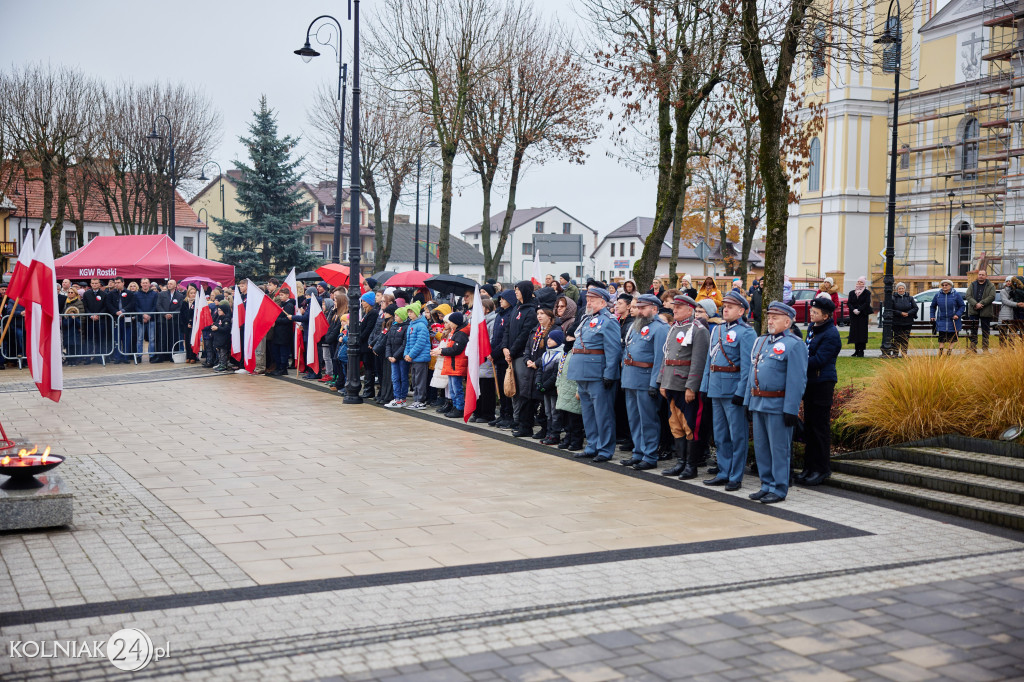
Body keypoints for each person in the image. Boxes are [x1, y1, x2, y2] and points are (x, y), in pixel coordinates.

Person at [745, 302, 808, 504]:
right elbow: (751, 373)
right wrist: (748, 401)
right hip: (758, 402)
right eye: (769, 317)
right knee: (762, 448)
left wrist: (791, 409)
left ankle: (779, 488)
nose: (770, 320)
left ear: (787, 321)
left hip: (778, 405)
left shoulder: (795, 344)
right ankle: (766, 484)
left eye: (775, 317)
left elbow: (797, 380)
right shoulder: (762, 342)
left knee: (779, 450)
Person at [697, 291, 756, 491]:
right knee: (720, 434)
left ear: (741, 311)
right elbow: (709, 362)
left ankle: (736, 475)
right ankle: (723, 471)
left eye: (730, 307)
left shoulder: (747, 332)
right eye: (725, 306)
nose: (725, 309)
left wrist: (742, 392)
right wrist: (705, 386)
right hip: (716, 387)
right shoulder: (718, 330)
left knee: (737, 435)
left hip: (733, 389)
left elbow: (748, 366)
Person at [658, 294, 710, 479]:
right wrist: (662, 381)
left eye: (679, 307)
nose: (675, 310)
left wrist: (692, 387)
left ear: (690, 309)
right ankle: (680, 462)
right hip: (671, 383)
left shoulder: (698, 330)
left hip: (685, 384)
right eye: (675, 307)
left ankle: (691, 465)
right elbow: (666, 356)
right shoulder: (674, 328)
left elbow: (698, 361)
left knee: (690, 426)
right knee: (676, 425)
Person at [568, 288, 623, 463]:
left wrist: (609, 374)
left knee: (603, 414)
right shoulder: (587, 319)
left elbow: (613, 351)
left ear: (603, 302)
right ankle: (592, 445)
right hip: (582, 373)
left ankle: (605, 449)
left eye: (593, 300)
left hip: (598, 374)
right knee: (588, 414)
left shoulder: (609, 321)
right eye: (588, 299)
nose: (588, 303)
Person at [618, 294, 669, 470]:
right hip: (631, 378)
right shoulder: (634, 326)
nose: (639, 311)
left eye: (643, 308)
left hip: (646, 379)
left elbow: (660, 358)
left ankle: (650, 455)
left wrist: (655, 383)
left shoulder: (660, 328)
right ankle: (638, 452)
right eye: (638, 307)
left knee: (648, 420)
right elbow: (627, 351)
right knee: (634, 419)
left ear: (654, 309)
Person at [798, 297, 841, 486]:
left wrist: (796, 360)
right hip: (811, 382)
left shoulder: (831, 334)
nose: (811, 313)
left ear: (826, 315)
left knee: (819, 428)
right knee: (809, 427)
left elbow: (818, 360)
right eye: (812, 311)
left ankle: (822, 469)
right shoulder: (813, 329)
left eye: (815, 312)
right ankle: (809, 467)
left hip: (822, 383)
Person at [505, 281, 539, 437]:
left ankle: (523, 421)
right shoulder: (516, 308)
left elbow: (524, 334)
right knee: (514, 389)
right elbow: (507, 329)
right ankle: (516, 418)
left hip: (520, 355)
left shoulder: (531, 311)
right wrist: (505, 348)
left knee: (522, 389)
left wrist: (511, 352)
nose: (516, 293)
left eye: (518, 290)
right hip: (511, 354)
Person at [522, 308, 555, 439]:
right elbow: (528, 348)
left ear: (549, 316)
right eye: (538, 314)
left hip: (544, 370)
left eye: (542, 314)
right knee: (527, 398)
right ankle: (525, 427)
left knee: (543, 402)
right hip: (531, 368)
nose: (539, 316)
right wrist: (527, 360)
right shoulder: (535, 331)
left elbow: (552, 351)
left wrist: (537, 362)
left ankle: (545, 429)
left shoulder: (553, 331)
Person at [433, 311, 470, 418]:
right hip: (452, 365)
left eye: (451, 322)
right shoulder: (456, 332)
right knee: (453, 389)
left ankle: (459, 408)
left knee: (456, 389)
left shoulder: (461, 334)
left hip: (456, 365)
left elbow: (456, 350)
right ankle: (455, 406)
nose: (450, 324)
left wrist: (441, 351)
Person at [490, 291, 516, 427]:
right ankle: (503, 414)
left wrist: (495, 353)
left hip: (504, 356)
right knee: (500, 386)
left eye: (503, 298)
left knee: (507, 387)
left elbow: (505, 338)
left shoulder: (511, 314)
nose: (500, 301)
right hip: (496, 356)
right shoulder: (500, 314)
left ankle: (509, 415)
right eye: (499, 298)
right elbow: (495, 337)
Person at [537, 328, 566, 445]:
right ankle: (548, 433)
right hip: (545, 389)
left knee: (555, 412)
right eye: (548, 338)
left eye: (552, 339)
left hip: (553, 389)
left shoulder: (560, 355)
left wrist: (546, 385)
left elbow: (555, 374)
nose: (548, 341)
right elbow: (540, 370)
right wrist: (538, 382)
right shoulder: (545, 354)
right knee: (548, 412)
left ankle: (555, 434)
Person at [555, 342, 585, 451]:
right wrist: (558, 384)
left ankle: (576, 441)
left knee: (575, 418)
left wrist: (579, 389)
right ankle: (568, 438)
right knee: (565, 417)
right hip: (563, 388)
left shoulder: (577, 351)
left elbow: (581, 370)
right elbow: (560, 370)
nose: (568, 339)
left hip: (573, 389)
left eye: (571, 336)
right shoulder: (565, 352)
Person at [404, 301, 431, 409]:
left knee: (420, 380)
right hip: (414, 358)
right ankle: (416, 399)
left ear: (416, 312)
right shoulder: (411, 325)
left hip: (420, 358)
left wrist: (410, 354)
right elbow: (408, 342)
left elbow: (420, 343)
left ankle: (421, 400)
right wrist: (406, 354)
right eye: (408, 312)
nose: (409, 314)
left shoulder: (421, 326)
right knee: (415, 380)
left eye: (411, 312)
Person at [105, 276, 135, 364]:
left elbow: (132, 304)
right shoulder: (111, 293)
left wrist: (123, 311)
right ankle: (117, 357)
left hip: (126, 318)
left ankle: (126, 356)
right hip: (115, 319)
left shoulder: (129, 293)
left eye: (118, 282)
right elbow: (108, 304)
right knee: (116, 339)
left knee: (126, 338)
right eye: (115, 283)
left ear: (123, 283)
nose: (116, 284)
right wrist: (115, 312)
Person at [931, 279, 965, 356]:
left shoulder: (955, 294)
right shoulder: (938, 295)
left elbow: (962, 306)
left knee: (952, 337)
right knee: (942, 337)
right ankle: (940, 352)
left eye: (946, 285)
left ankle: (949, 352)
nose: (944, 286)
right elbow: (933, 306)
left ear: (950, 286)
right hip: (942, 319)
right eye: (943, 285)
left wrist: (957, 314)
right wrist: (932, 316)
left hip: (953, 319)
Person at [965, 269, 996, 352]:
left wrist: (981, 303)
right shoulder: (972, 284)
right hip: (974, 311)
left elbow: (992, 296)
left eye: (982, 274)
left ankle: (985, 348)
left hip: (986, 311)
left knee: (985, 331)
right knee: (973, 330)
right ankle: (973, 348)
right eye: (979, 274)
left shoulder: (991, 285)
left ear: (986, 276)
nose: (980, 276)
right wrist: (975, 304)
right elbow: (968, 296)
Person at [385, 306, 410, 407]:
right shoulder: (393, 327)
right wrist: (389, 355)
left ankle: (402, 398)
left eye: (397, 315)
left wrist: (395, 356)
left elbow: (405, 344)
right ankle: (397, 397)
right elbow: (388, 343)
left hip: (401, 358)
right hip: (393, 358)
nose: (395, 317)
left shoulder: (406, 327)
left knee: (403, 377)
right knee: (395, 378)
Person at [154, 279, 185, 362]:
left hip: (174, 320)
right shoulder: (161, 294)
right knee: (162, 338)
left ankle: (172, 356)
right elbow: (158, 305)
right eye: (168, 284)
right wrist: (165, 314)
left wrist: (172, 314)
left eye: (171, 284)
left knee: (173, 338)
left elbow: (180, 307)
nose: (169, 285)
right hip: (163, 320)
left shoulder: (180, 296)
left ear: (175, 286)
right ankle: (161, 356)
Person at [80, 278, 108, 364]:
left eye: (96, 283)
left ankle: (99, 357)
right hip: (90, 320)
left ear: (99, 284)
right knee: (89, 340)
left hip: (101, 320)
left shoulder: (104, 294)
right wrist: (91, 315)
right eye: (93, 283)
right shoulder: (86, 294)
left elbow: (106, 306)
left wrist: (98, 315)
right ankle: (88, 358)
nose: (95, 285)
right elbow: (85, 306)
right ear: (90, 284)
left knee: (100, 340)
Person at [269, 289, 296, 375]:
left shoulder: (289, 306)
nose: (280, 297)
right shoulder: (281, 305)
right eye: (280, 295)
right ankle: (278, 367)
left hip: (284, 333)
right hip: (278, 333)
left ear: (287, 295)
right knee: (276, 351)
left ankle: (283, 369)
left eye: (282, 295)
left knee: (283, 353)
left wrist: (276, 321)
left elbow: (288, 319)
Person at [359, 291, 379, 397]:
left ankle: (369, 390)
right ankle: (367, 389)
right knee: (367, 367)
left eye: (364, 301)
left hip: (367, 344)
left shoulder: (373, 313)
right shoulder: (366, 313)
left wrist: (360, 337)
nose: (362, 303)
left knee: (369, 367)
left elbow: (369, 329)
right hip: (364, 344)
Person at [134, 278, 159, 362]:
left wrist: (149, 315)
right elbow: (136, 306)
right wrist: (143, 315)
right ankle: (139, 356)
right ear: (141, 284)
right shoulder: (136, 294)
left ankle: (151, 356)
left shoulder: (155, 294)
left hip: (151, 319)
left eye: (146, 283)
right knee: (139, 339)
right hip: (140, 320)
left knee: (151, 339)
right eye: (143, 283)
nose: (145, 284)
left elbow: (155, 306)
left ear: (149, 284)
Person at [847, 276, 872, 356]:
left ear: (864, 283)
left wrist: (859, 310)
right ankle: (856, 350)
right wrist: (853, 310)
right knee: (855, 332)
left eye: (861, 282)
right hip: (854, 315)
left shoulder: (867, 292)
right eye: (858, 282)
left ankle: (861, 350)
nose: (859, 283)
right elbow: (849, 303)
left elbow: (867, 303)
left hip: (863, 314)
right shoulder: (852, 292)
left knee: (862, 332)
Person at [891, 282, 918, 356]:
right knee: (896, 338)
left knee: (905, 338)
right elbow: (891, 309)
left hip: (907, 322)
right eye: (899, 289)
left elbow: (915, 308)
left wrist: (908, 313)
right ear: (897, 290)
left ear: (905, 289)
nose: (901, 290)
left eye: (902, 288)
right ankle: (895, 353)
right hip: (897, 322)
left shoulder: (910, 298)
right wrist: (900, 313)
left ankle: (904, 353)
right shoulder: (893, 298)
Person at [210, 300, 233, 372]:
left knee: (223, 353)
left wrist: (217, 328)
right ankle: (220, 363)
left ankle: (224, 365)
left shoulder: (226, 319)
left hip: (224, 339)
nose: (219, 311)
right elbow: (217, 324)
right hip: (219, 339)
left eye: (220, 310)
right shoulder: (219, 318)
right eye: (218, 310)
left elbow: (226, 329)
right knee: (219, 353)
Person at [998, 275, 1017, 345]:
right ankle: (1003, 347)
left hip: (1013, 313)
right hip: (1004, 313)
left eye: (1010, 281)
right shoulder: (1003, 291)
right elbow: (1005, 301)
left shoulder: (1016, 291)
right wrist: (1017, 304)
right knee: (1003, 332)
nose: (1008, 283)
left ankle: (1011, 348)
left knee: (1012, 333)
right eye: (1007, 281)